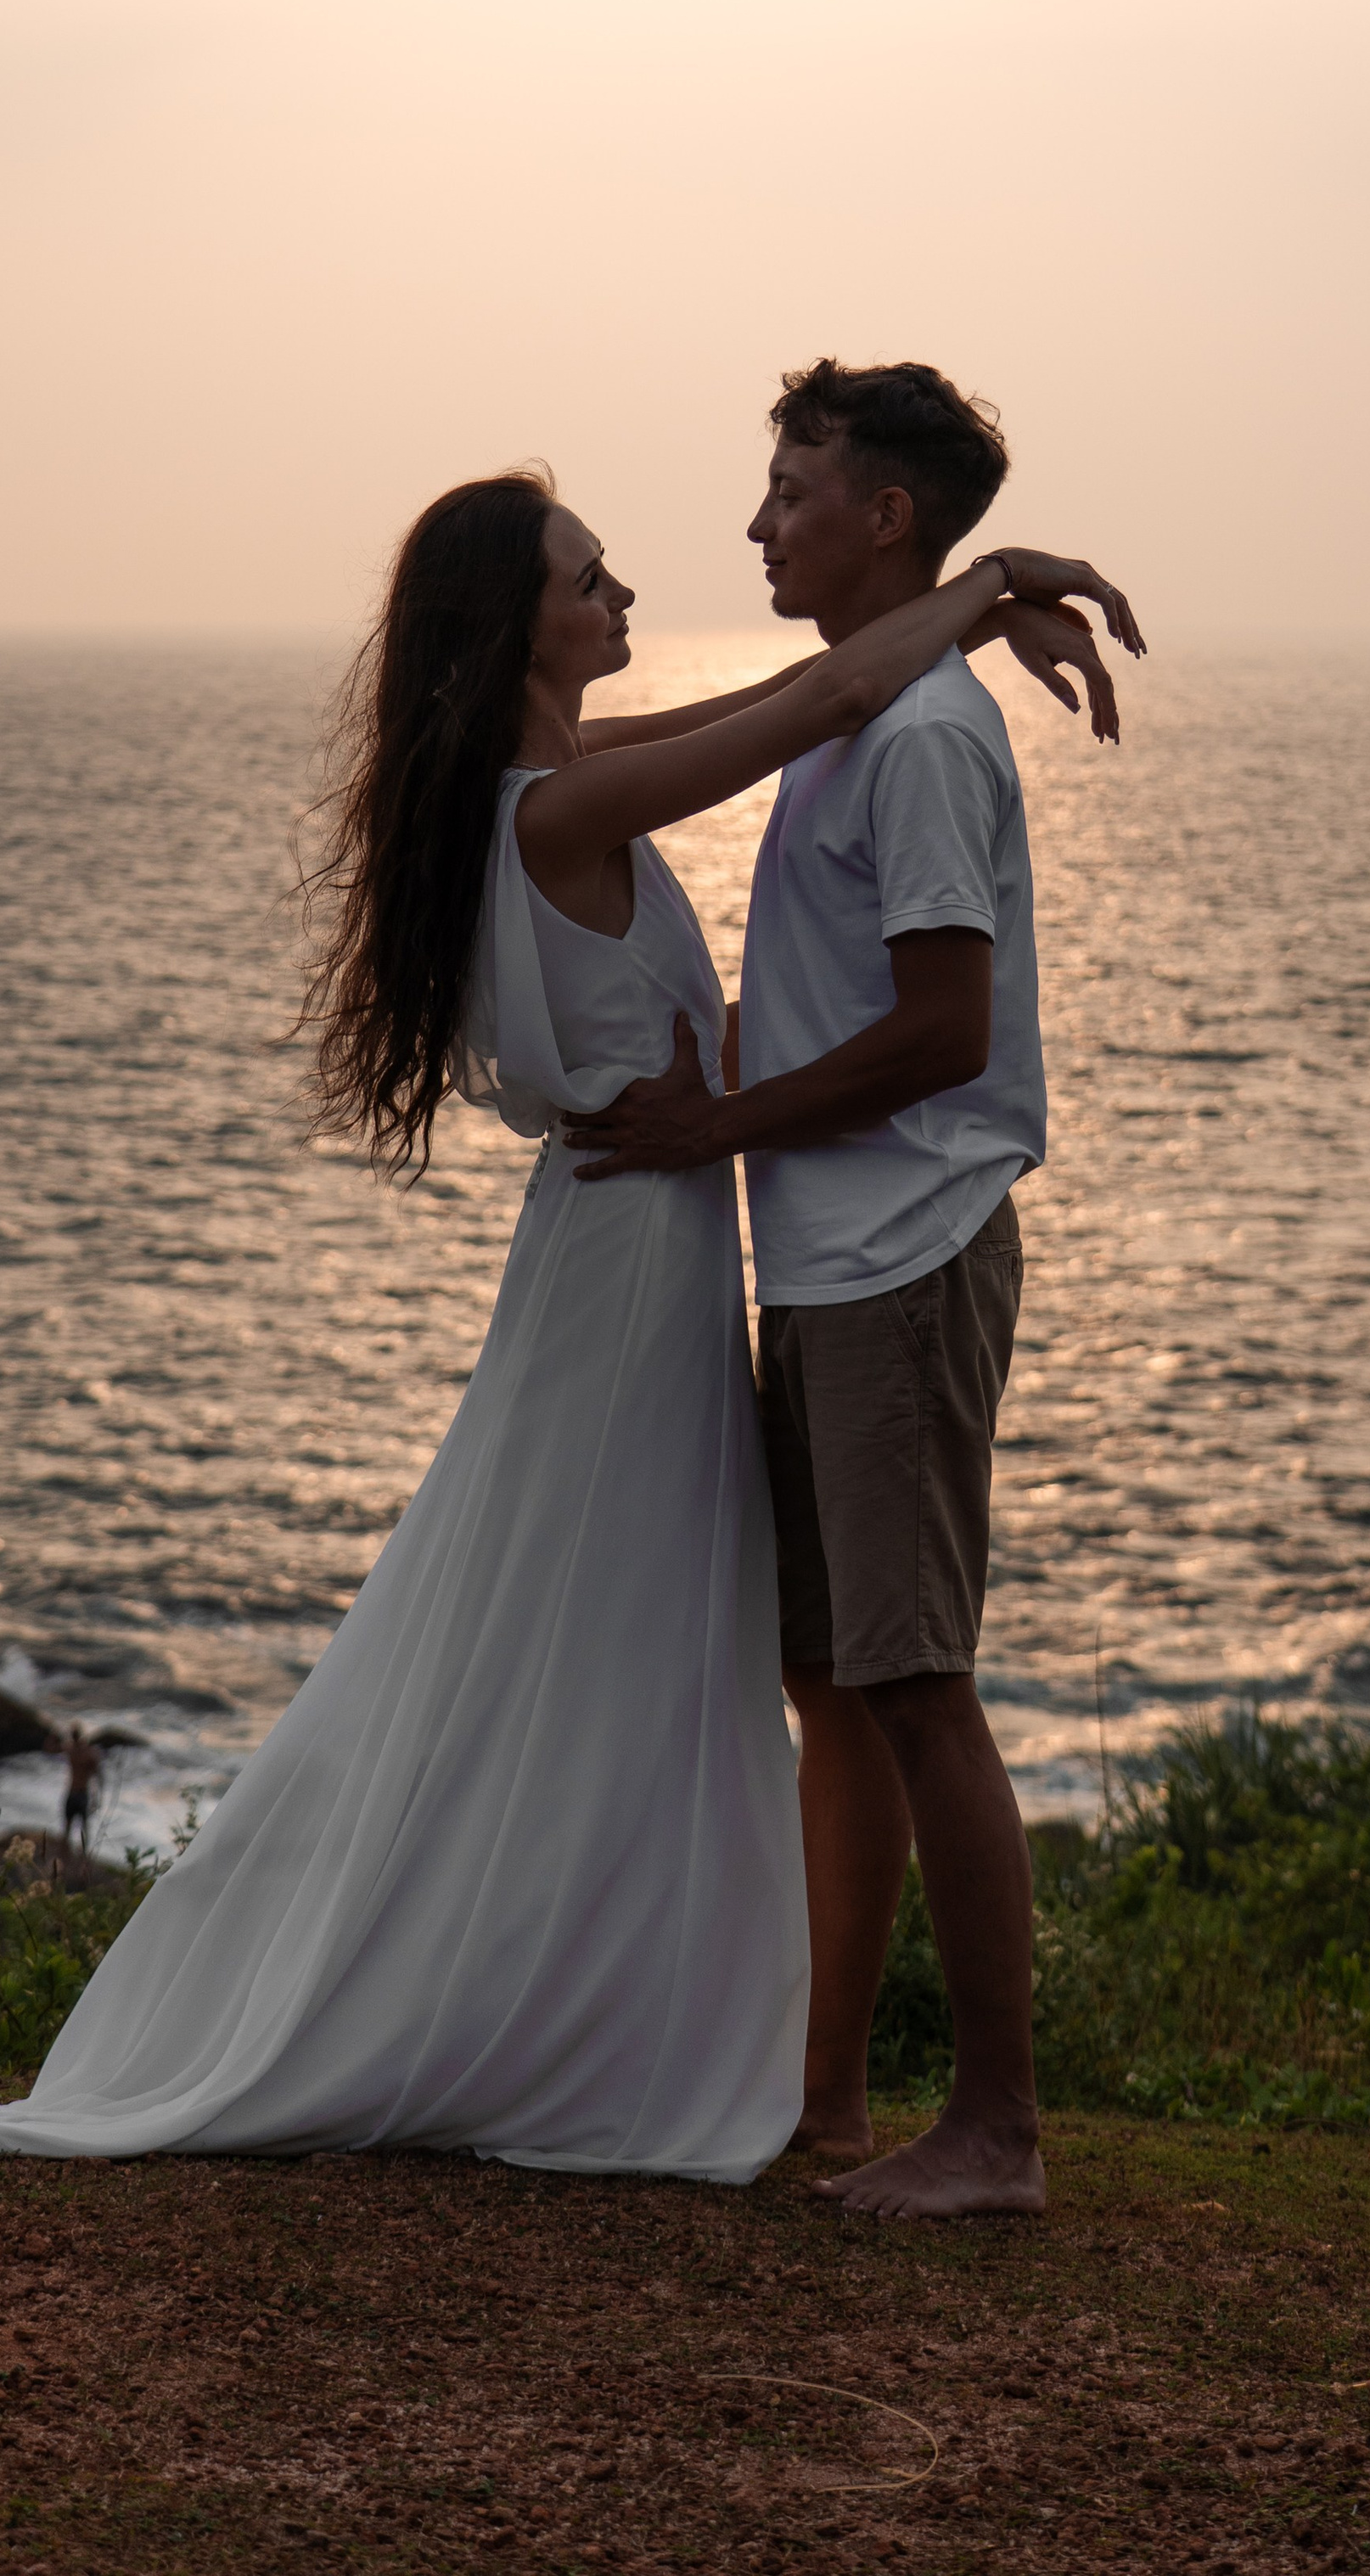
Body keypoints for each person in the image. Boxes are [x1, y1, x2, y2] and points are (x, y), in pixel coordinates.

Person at [0, 464, 1119, 2179]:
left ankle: (662, 2026)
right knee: (588, 1633)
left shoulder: (555, 782)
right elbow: (810, 699)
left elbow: (776, 696)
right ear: (512, 627)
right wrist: (988, 585)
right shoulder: (545, 812)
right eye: (589, 581)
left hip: (634, 1244)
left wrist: (945, 613)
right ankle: (584, 2021)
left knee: (604, 1639)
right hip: (637, 1250)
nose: (626, 596)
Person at [569, 359, 1143, 2220]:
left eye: (788, 486)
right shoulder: (856, 715)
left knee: (913, 1686)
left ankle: (995, 2130)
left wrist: (712, 1121)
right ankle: (825, 2098)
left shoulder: (912, 740)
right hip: (826, 1258)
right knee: (836, 1677)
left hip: (898, 1253)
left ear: (880, 514)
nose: (756, 523)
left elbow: (941, 1031)